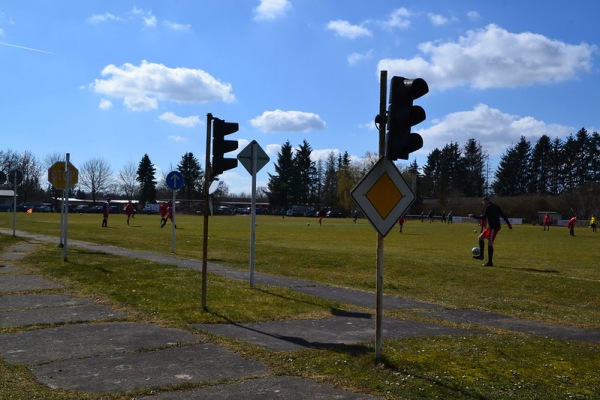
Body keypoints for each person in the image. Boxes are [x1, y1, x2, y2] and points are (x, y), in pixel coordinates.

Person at [469, 196, 513, 267]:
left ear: (486, 200)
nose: (483, 202)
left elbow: (483, 217)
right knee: (480, 238)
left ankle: (490, 262)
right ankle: (481, 255)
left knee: (490, 243)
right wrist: (509, 224)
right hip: (490, 227)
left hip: (493, 227)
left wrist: (473, 216)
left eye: (483, 201)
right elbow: (503, 215)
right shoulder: (496, 206)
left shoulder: (488, 207)